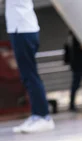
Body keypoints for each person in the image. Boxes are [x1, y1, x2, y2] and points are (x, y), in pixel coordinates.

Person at [5, 0, 55, 133]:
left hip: (23, 30)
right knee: (27, 75)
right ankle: (37, 115)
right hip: (19, 29)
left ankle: (43, 116)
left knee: (30, 75)